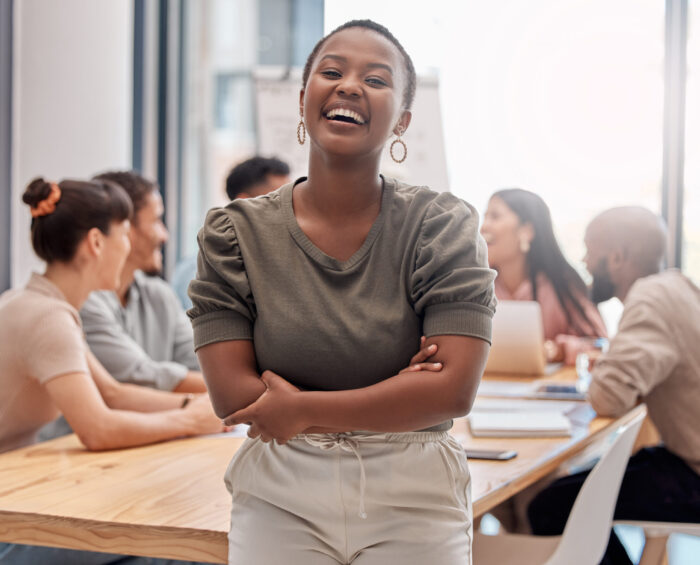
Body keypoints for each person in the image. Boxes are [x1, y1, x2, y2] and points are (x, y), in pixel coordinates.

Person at [188, 19, 496, 565]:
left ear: (402, 119)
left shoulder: (442, 225)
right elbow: (234, 396)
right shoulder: (232, 234)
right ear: (304, 98)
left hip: (415, 490)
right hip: (280, 489)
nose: (350, 85)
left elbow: (451, 392)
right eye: (331, 71)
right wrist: (396, 392)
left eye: (376, 79)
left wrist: (300, 407)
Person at [0, 177, 223, 565]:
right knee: (171, 552)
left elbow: (114, 393)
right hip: (11, 522)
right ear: (96, 243)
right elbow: (98, 429)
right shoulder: (47, 316)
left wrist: (196, 405)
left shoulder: (43, 304)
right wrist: (189, 421)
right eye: (123, 233)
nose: (128, 247)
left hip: (18, 496)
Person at [527, 206, 700, 565]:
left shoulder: (649, 299)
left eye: (591, 250)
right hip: (683, 455)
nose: (585, 261)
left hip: (693, 472)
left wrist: (605, 362)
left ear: (618, 257)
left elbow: (608, 398)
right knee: (581, 492)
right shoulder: (676, 284)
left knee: (552, 505)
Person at [81, 170, 206, 393]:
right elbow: (138, 375)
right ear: (126, 229)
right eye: (157, 220)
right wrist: (243, 389)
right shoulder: (82, 301)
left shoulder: (159, 294)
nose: (164, 235)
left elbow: (203, 360)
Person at [480, 188, 607, 364]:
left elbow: (602, 345)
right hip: (489, 389)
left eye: (494, 216)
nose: (483, 226)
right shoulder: (476, 286)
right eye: (485, 217)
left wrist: (559, 350)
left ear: (527, 231)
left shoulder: (562, 284)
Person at [172, 156, 291, 309]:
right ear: (244, 204)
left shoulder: (289, 262)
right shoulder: (200, 272)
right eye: (278, 202)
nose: (290, 210)